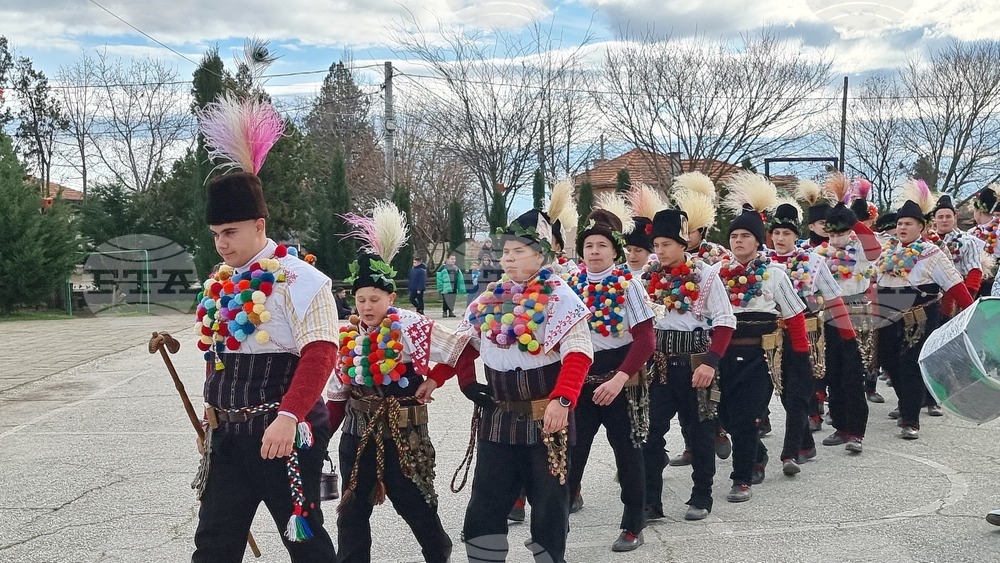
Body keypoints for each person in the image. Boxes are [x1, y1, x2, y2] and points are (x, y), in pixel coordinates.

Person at [192, 83, 338, 561]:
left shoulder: (302, 278)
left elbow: (320, 353)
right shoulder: (221, 279)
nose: (221, 244)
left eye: (230, 232)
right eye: (215, 234)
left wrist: (289, 416)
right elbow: (220, 355)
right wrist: (210, 417)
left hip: (281, 430)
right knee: (213, 545)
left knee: (305, 541)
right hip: (227, 436)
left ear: (260, 223)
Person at [326, 202, 474, 563]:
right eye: (360, 299)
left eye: (374, 299)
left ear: (391, 297)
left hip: (403, 433)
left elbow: (462, 350)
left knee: (414, 504)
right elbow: (336, 395)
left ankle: (438, 551)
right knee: (352, 510)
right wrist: (315, 440)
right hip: (356, 434)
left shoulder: (409, 326)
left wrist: (434, 381)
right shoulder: (346, 335)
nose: (366, 306)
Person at [454, 205, 593, 563]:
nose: (509, 258)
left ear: (541, 255)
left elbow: (578, 354)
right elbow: (462, 345)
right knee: (485, 504)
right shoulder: (491, 297)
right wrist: (466, 383)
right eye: (506, 252)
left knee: (548, 506)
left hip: (545, 417)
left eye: (518, 252)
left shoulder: (561, 298)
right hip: (498, 416)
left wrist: (563, 401)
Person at [565, 199, 656, 551]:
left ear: (615, 250)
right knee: (571, 452)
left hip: (621, 378)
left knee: (628, 453)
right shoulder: (570, 284)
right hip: (581, 376)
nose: (594, 251)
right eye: (588, 245)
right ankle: (556, 523)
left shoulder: (629, 284)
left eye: (602, 245)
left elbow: (646, 340)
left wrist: (619, 378)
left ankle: (634, 523)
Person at [717, 172, 813, 502]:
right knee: (727, 416)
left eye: (746, 236)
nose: (739, 241)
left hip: (760, 357)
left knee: (747, 416)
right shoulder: (718, 275)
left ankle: (741, 477)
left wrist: (800, 358)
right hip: (723, 355)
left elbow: (795, 316)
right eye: (735, 236)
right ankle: (756, 455)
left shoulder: (774, 274)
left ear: (759, 241)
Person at [641, 206, 735, 522]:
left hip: (697, 363)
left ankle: (702, 494)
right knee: (649, 431)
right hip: (660, 365)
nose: (660, 251)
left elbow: (725, 321)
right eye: (656, 245)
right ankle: (651, 499)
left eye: (666, 244)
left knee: (700, 431)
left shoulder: (707, 275)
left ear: (683, 243)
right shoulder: (647, 276)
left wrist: (710, 363)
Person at [875, 179, 973, 440]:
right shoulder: (887, 253)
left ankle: (911, 419)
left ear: (921, 227)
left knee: (909, 362)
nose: (902, 227)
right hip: (889, 314)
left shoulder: (931, 252)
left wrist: (972, 312)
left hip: (919, 315)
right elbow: (874, 283)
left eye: (908, 223)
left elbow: (954, 283)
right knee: (887, 360)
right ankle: (908, 399)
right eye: (899, 223)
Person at [814, 198, 881, 452]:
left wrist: (855, 221)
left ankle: (855, 431)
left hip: (856, 313)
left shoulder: (860, 251)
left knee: (853, 375)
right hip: (828, 315)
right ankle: (840, 426)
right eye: (832, 233)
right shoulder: (820, 254)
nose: (837, 238)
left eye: (842, 232)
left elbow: (874, 249)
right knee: (833, 373)